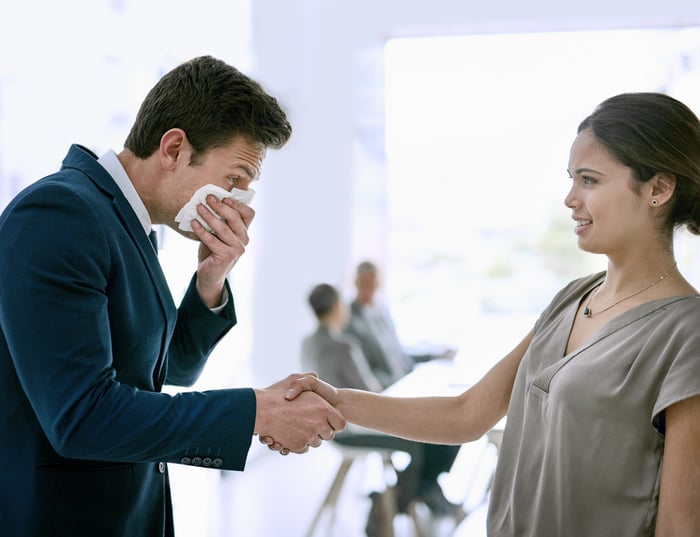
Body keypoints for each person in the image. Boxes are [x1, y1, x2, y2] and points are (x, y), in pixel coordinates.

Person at [286, 92, 700, 537]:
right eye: (571, 179)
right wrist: (336, 400)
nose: (569, 198)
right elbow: (467, 414)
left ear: (658, 188)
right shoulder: (571, 299)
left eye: (589, 180)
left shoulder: (686, 333)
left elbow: (680, 523)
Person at [0, 56, 344, 537]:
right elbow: (82, 416)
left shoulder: (132, 223)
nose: (238, 202)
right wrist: (256, 411)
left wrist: (211, 278)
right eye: (234, 179)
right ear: (174, 148)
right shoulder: (60, 214)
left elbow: (166, 370)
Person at [300, 283, 462, 525]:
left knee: (433, 433)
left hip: (334, 426)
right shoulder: (341, 346)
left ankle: (422, 491)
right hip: (353, 428)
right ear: (335, 307)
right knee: (429, 436)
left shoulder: (310, 342)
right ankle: (396, 501)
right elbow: (368, 392)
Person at [346, 260, 456, 389]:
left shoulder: (382, 311)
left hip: (402, 381)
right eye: (365, 285)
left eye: (373, 284)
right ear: (356, 283)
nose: (369, 290)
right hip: (383, 389)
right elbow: (360, 368)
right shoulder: (350, 319)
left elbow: (399, 354)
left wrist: (433, 355)